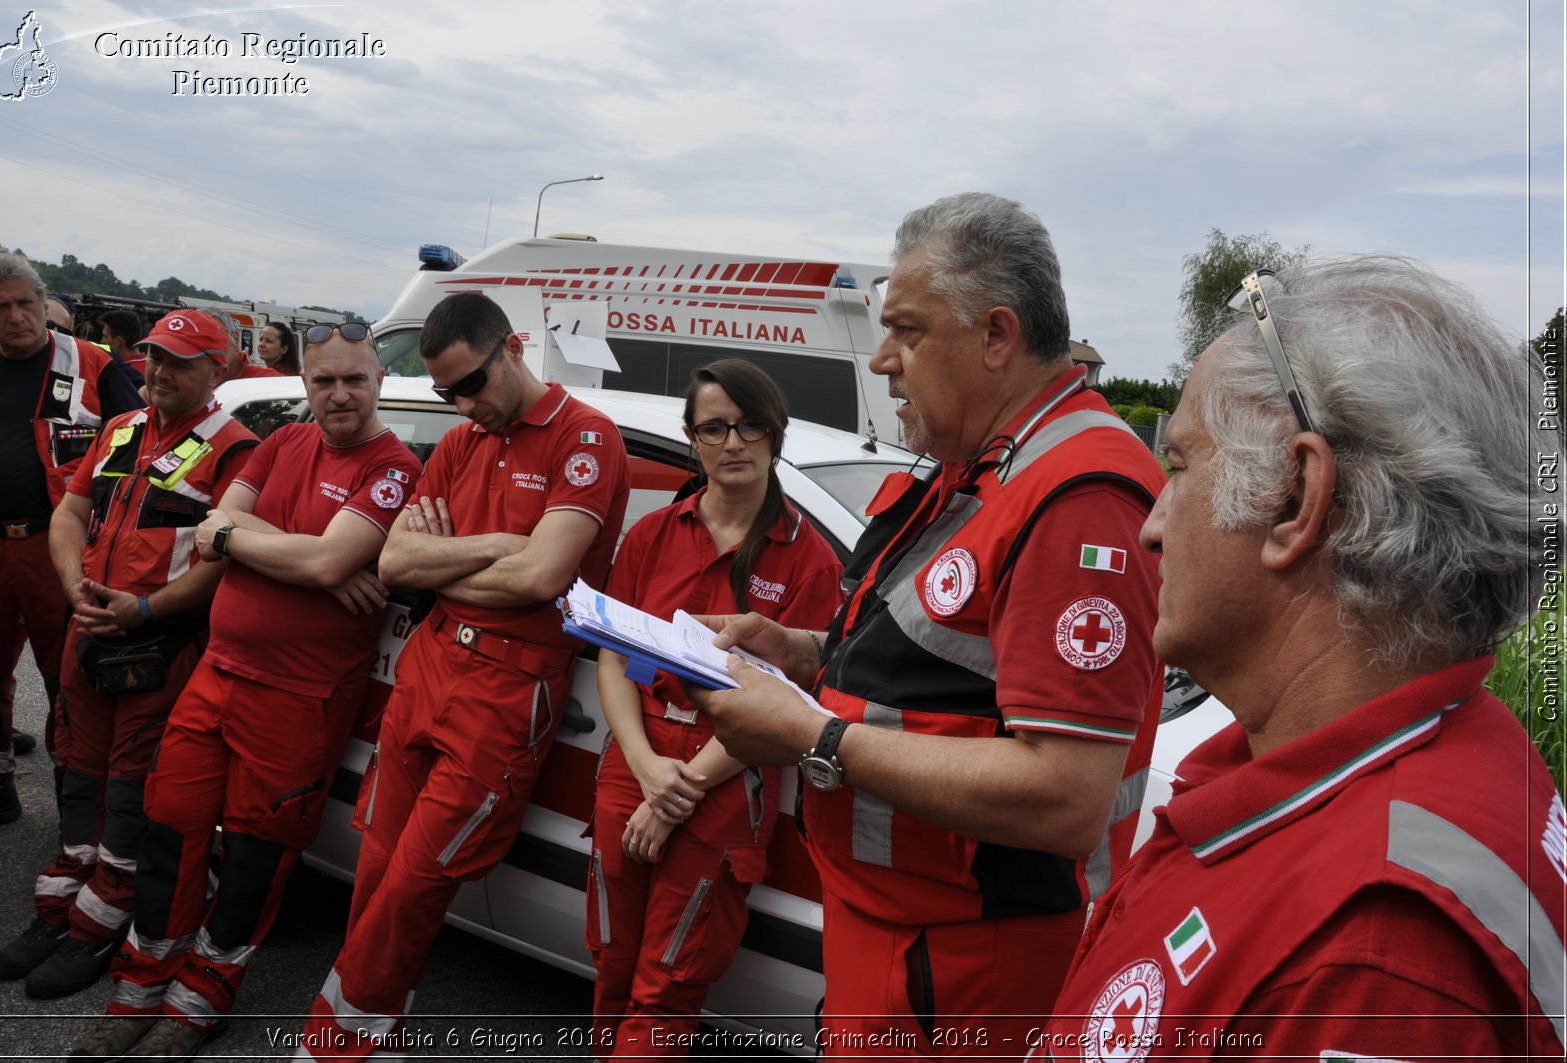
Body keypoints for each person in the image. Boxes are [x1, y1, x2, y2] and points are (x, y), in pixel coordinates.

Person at [1042, 256, 1564, 1060]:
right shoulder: (1429, 753)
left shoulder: (1374, 957)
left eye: (1179, 465)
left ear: (1294, 499)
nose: (1151, 524)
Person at [689, 193, 1167, 1054]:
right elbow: (948, 669)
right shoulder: (983, 464)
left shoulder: (1077, 493)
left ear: (995, 335)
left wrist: (814, 736)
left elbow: (1066, 796)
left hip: (973, 961)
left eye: (907, 332)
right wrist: (804, 653)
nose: (881, 361)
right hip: (905, 935)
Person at [68, 321, 423, 1060]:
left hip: (299, 696)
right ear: (304, 383)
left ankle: (202, 996)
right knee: (169, 829)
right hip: (218, 670)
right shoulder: (286, 442)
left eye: (355, 379)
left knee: (256, 858)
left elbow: (314, 558)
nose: (339, 394)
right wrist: (291, 552)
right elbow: (213, 526)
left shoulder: (392, 467)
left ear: (380, 381)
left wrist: (265, 544)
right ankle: (140, 983)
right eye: (324, 380)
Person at [294, 291, 629, 1060]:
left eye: (473, 384)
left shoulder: (586, 437)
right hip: (432, 663)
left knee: (416, 883)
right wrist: (496, 546)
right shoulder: (462, 440)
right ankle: (376, 1038)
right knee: (378, 868)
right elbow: (394, 560)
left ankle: (331, 1043)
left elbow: (544, 576)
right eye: (447, 393)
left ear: (512, 347)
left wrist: (461, 561)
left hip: (510, 688)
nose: (464, 404)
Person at [0, 308, 259, 998]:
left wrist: (144, 609)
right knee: (77, 770)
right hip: (90, 628)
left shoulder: (236, 449)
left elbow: (222, 561)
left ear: (216, 371)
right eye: (154, 357)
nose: (160, 372)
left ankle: (98, 925)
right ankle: (61, 906)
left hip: (157, 644)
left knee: (131, 787)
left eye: (179, 361)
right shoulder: (119, 427)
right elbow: (72, 513)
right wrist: (75, 585)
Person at [588, 360, 843, 1058]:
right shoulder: (651, 536)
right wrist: (644, 766)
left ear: (774, 433)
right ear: (692, 438)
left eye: (751, 423)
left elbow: (788, 708)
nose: (734, 441)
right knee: (612, 966)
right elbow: (614, 656)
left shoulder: (811, 561)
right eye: (715, 427)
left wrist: (677, 792)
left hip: (727, 781)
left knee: (667, 987)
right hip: (632, 765)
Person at [0, 252, 144, 838]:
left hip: (55, 544)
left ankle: (76, 791)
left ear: (44, 304)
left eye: (26, 303)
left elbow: (142, 446)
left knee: (64, 674)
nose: (17, 316)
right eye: (1, 307)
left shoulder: (92, 363)